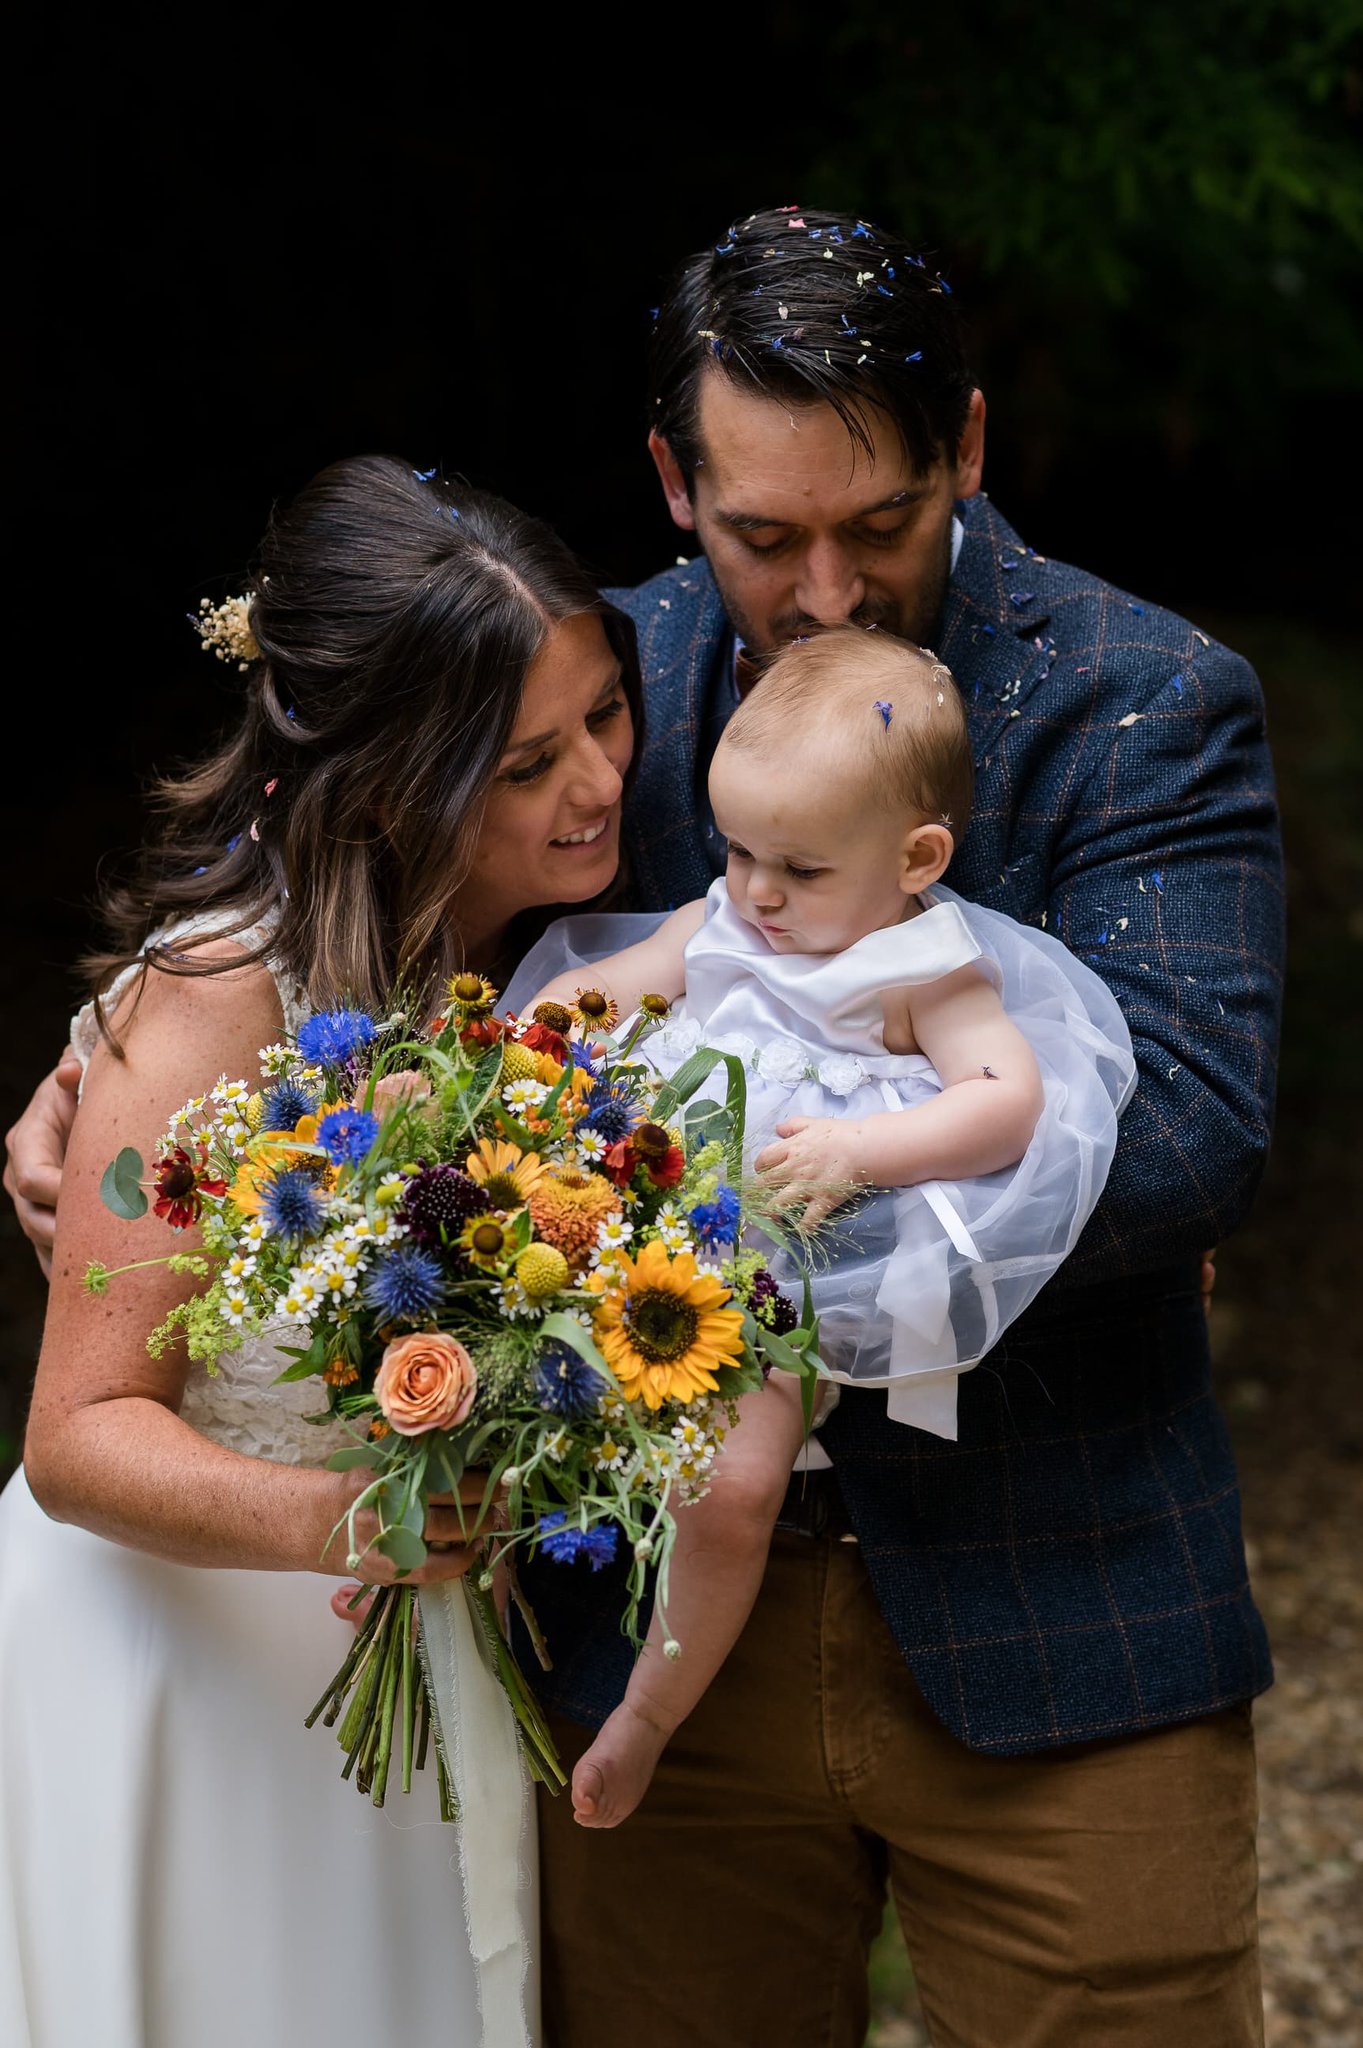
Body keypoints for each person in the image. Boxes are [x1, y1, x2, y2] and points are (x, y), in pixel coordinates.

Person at [7, 204, 1284, 2046]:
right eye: (766, 535)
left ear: (971, 451)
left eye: (878, 523)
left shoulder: (1140, 698)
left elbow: (1182, 1136)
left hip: (1057, 1595)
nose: (824, 592)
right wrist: (110, 1087)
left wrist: (720, 1224)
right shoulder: (586, 681)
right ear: (674, 483)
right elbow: (359, 974)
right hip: (619, 1633)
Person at [0, 451, 644, 2048]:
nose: (596, 785)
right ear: (386, 789)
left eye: (604, 719)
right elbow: (79, 1437)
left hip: (399, 1663)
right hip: (188, 1669)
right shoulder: (218, 996)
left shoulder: (506, 976)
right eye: (523, 765)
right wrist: (367, 1516)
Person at [517, 626, 1135, 1830]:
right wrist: (521, 1048)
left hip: (788, 1277)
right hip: (637, 1230)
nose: (756, 890)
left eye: (797, 867)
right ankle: (441, 1581)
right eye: (738, 848)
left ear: (917, 857)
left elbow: (1008, 1101)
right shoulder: (724, 923)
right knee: (528, 1398)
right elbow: (606, 991)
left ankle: (648, 1712)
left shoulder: (923, 966)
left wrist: (861, 1150)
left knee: (731, 1485)